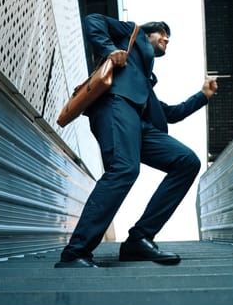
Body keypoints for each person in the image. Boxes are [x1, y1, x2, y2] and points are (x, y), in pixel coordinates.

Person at [55, 13, 218, 268]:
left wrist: (203, 96)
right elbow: (94, 20)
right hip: (115, 105)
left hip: (140, 125)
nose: (167, 39)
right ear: (148, 32)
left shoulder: (145, 82)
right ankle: (76, 252)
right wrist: (110, 50)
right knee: (124, 168)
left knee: (187, 161)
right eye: (163, 33)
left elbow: (170, 114)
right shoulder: (131, 32)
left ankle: (139, 239)